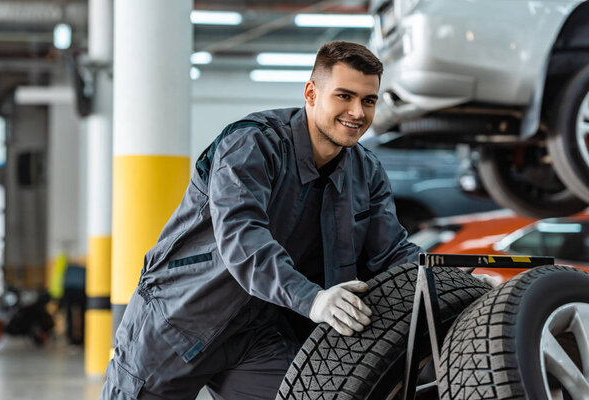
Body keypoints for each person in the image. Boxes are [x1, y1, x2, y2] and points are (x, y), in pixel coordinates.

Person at [102, 41, 422, 400]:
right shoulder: (252, 144)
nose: (357, 112)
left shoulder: (366, 171)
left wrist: (457, 281)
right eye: (344, 96)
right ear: (311, 93)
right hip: (180, 323)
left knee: (308, 394)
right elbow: (242, 237)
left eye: (368, 100)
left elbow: (392, 253)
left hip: (259, 335)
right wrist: (312, 299)